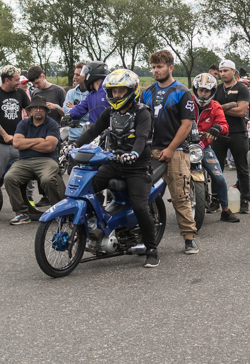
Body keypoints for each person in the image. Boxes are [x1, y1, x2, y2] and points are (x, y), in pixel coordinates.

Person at [74, 69, 160, 268]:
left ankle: (152, 249)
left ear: (131, 90)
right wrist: (73, 145)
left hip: (137, 167)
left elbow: (142, 137)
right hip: (113, 163)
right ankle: (93, 226)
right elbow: (93, 131)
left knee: (139, 207)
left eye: (121, 91)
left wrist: (135, 153)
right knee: (86, 188)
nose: (116, 95)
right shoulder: (110, 112)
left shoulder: (142, 112)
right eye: (113, 91)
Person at [141, 50, 199, 253]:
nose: (156, 71)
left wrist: (171, 148)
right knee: (144, 196)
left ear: (170, 67)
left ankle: (189, 238)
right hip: (151, 152)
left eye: (160, 66)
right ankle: (145, 238)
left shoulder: (182, 92)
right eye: (153, 67)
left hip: (176, 152)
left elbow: (186, 124)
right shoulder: (146, 92)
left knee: (180, 196)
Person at [4, 96, 64, 226]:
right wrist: (40, 140)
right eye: (35, 108)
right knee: (9, 178)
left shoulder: (52, 124)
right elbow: (16, 143)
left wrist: (26, 143)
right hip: (24, 161)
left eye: (41, 108)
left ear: (46, 110)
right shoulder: (23, 124)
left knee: (48, 179)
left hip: (47, 160)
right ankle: (22, 213)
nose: (38, 110)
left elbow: (50, 147)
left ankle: (59, 211)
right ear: (29, 110)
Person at [193, 73, 238, 223]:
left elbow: (225, 125)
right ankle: (154, 209)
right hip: (183, 146)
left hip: (203, 147)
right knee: (167, 174)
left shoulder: (215, 106)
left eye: (206, 91)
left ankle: (225, 210)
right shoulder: (187, 102)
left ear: (212, 92)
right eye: (200, 90)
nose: (203, 94)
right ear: (195, 90)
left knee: (219, 177)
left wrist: (218, 127)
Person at [212, 59, 250, 215]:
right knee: (216, 169)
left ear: (233, 71)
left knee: (242, 168)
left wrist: (220, 108)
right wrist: (232, 104)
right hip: (219, 133)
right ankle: (215, 200)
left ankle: (244, 200)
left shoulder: (242, 88)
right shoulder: (216, 89)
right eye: (221, 71)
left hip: (238, 133)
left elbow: (241, 112)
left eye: (226, 71)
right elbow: (211, 110)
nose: (222, 74)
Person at [0, 66, 25, 185]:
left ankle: (27, 196)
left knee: (27, 174)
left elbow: (30, 112)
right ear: (7, 80)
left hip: (19, 142)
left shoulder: (20, 92)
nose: (19, 82)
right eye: (16, 80)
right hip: (0, 143)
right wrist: (5, 135)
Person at [67, 61, 110, 128]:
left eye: (86, 74)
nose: (84, 77)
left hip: (108, 131)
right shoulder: (91, 94)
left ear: (92, 74)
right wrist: (69, 115)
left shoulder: (109, 92)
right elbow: (81, 107)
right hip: (94, 131)